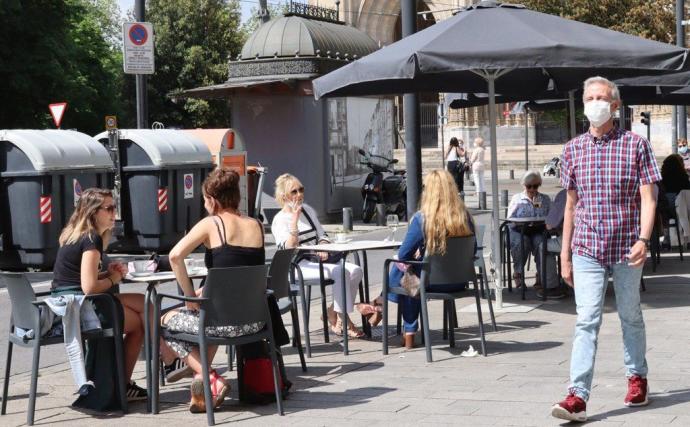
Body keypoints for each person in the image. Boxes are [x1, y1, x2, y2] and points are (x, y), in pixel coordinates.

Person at [552, 76, 660, 422]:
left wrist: (644, 238)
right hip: (587, 247)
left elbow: (648, 196)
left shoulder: (635, 145)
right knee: (586, 320)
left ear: (615, 105)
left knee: (630, 314)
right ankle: (578, 395)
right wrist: (565, 254)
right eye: (589, 97)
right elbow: (570, 206)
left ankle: (637, 377)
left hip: (627, 246)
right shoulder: (572, 149)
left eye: (601, 97)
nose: (595, 103)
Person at [51, 188, 181, 402]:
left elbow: (77, 277)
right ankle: (167, 359)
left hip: (69, 305)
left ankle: (127, 384)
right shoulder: (91, 239)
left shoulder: (75, 234)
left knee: (141, 316)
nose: (114, 212)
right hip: (83, 309)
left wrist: (107, 273)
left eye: (115, 207)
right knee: (146, 305)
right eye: (109, 208)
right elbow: (89, 287)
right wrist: (113, 279)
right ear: (93, 212)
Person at [162, 168, 268, 413]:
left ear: (213, 199)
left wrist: (190, 297)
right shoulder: (256, 225)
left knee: (165, 322)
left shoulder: (212, 223)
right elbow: (239, 269)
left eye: (204, 199)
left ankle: (210, 377)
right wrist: (207, 291)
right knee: (207, 314)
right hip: (255, 322)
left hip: (221, 324)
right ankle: (200, 386)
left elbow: (175, 256)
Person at [378, 170, 475, 349]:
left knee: (405, 272)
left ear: (428, 192)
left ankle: (407, 331)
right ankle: (380, 306)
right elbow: (472, 250)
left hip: (430, 282)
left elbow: (403, 254)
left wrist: (417, 256)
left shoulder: (422, 219)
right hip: (460, 281)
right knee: (410, 273)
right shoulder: (465, 217)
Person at [271, 173, 366, 338]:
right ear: (284, 196)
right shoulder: (280, 220)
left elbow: (322, 235)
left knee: (356, 270)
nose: (299, 194)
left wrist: (323, 246)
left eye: (301, 189)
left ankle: (332, 311)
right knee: (341, 272)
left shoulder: (308, 210)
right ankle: (345, 320)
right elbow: (288, 248)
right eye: (294, 191)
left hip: (320, 260)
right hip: (299, 265)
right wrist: (294, 219)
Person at [507, 171, 562, 299]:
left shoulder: (544, 198)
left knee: (540, 243)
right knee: (522, 242)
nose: (532, 189)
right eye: (529, 186)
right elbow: (510, 218)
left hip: (538, 229)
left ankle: (542, 275)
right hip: (519, 230)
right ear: (524, 185)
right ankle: (518, 273)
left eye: (535, 186)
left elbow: (552, 217)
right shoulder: (517, 198)